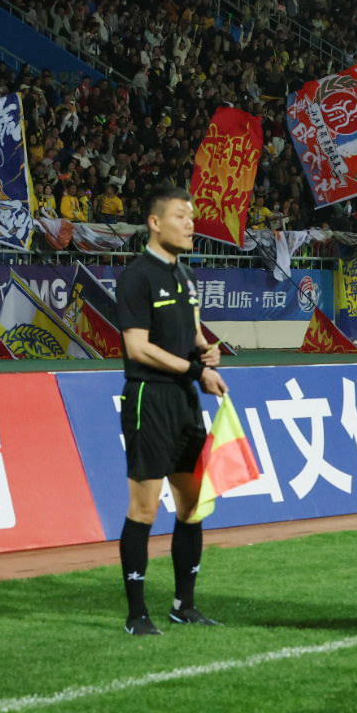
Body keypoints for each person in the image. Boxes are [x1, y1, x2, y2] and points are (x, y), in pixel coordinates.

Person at [115, 185, 228, 637]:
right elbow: (137, 347)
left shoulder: (186, 275)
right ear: (155, 223)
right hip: (149, 398)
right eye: (181, 216)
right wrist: (194, 369)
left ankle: (185, 605)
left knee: (192, 507)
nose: (190, 224)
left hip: (185, 400)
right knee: (144, 510)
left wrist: (207, 353)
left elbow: (193, 333)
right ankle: (136, 614)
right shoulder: (137, 276)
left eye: (192, 217)